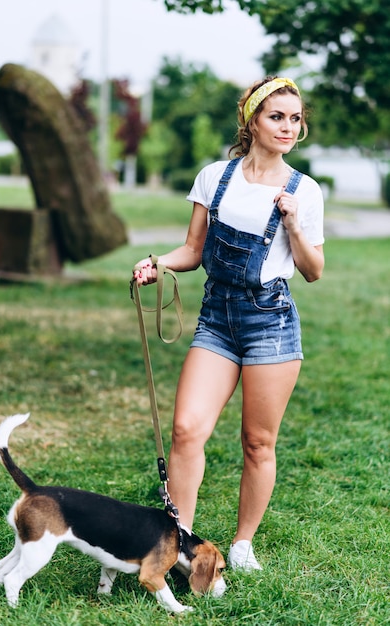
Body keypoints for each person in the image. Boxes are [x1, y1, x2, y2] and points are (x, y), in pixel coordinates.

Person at [133, 76, 324, 572]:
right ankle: (179, 541)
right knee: (185, 429)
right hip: (217, 318)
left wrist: (294, 225)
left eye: (295, 118)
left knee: (258, 442)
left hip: (271, 322)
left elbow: (313, 270)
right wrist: (158, 263)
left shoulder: (304, 190)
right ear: (251, 119)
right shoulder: (215, 177)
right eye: (276, 116)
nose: (287, 126)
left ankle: (242, 545)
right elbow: (194, 251)